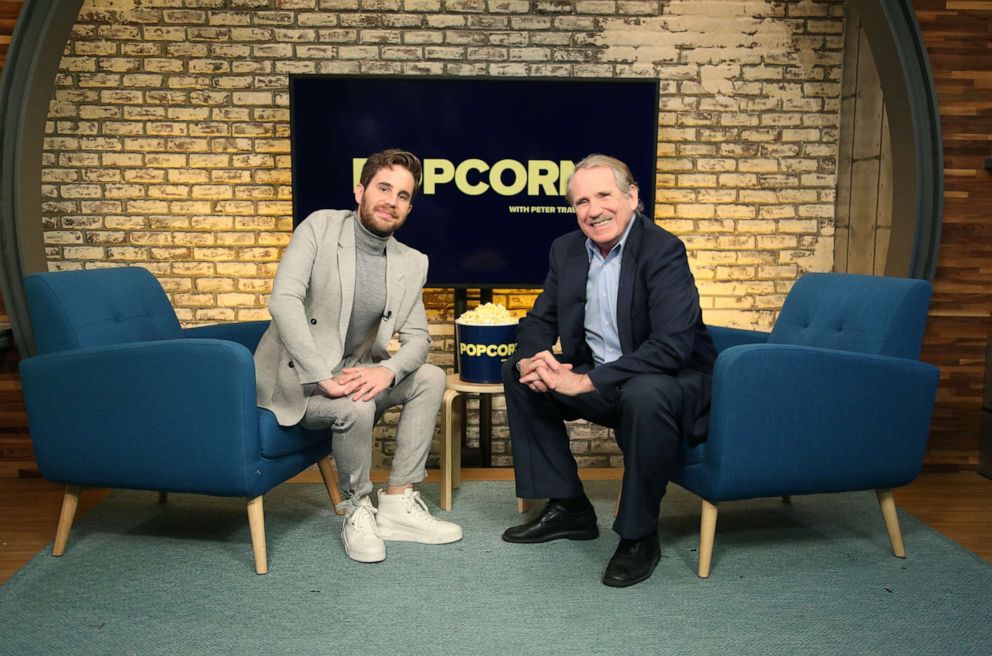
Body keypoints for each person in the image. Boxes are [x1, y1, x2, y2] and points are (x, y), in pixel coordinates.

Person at [501, 154, 716, 587]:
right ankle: (570, 507)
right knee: (519, 375)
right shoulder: (566, 250)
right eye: (581, 201)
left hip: (668, 383)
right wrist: (532, 358)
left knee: (645, 393)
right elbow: (540, 319)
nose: (593, 209)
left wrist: (585, 380)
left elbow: (671, 347)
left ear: (632, 196)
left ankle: (639, 536)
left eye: (603, 195)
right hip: (604, 379)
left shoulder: (663, 250)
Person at [254, 148, 461, 563]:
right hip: (299, 383)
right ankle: (358, 508)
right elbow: (284, 301)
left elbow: (419, 340)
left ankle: (399, 502)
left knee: (431, 378)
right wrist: (321, 376)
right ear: (361, 190)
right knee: (357, 406)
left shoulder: (411, 261)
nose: (392, 201)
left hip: (354, 376)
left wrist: (386, 371)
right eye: (384, 188)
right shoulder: (320, 227)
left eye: (403, 195)